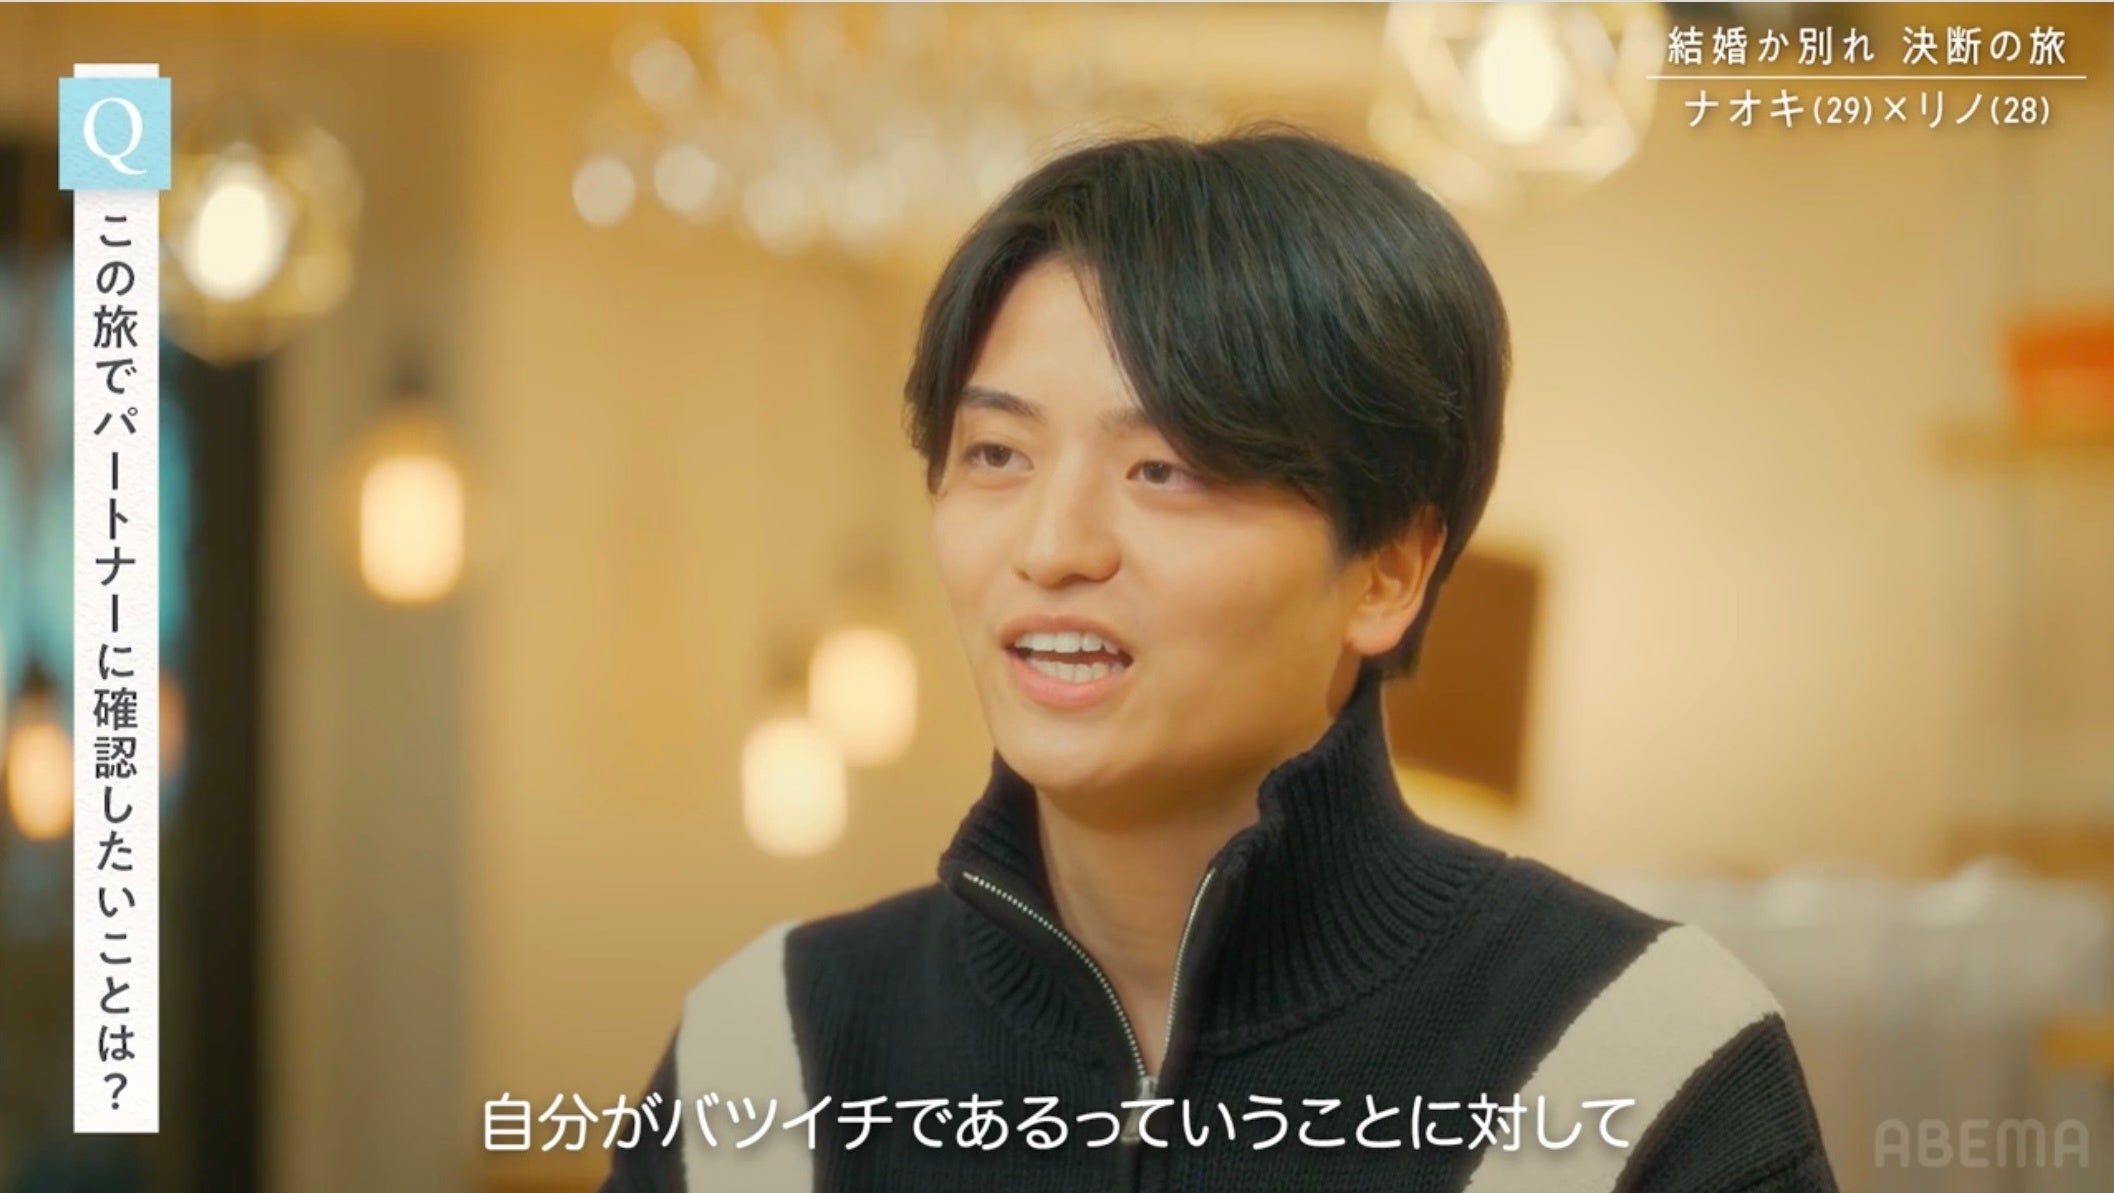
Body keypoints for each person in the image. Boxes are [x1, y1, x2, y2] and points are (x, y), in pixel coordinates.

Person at [600, 128, 1837, 1193]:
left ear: (1387, 569)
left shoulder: (1638, 1060)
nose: (1052, 546)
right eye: (995, 454)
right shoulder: (764, 1058)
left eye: (1166, 469)